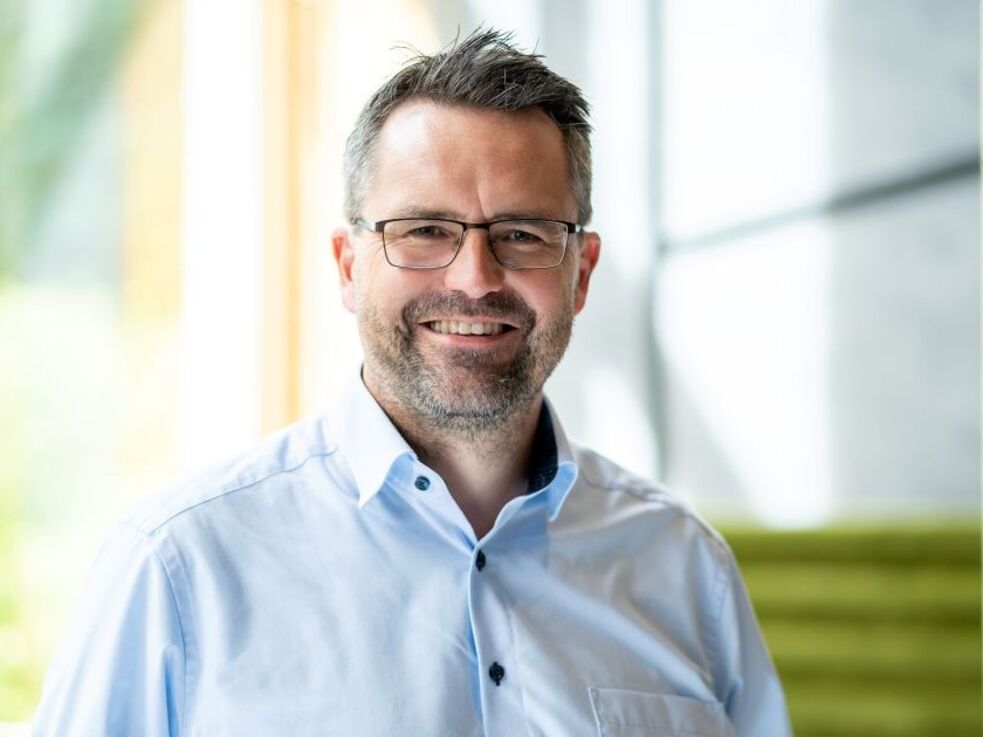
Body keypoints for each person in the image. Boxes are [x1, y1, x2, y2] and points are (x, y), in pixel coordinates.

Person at [33, 29, 792, 737]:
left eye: (522, 233)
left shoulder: (686, 568)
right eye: (424, 229)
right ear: (348, 266)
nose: (474, 277)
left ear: (580, 272)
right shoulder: (177, 567)